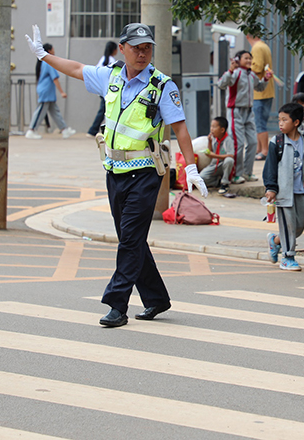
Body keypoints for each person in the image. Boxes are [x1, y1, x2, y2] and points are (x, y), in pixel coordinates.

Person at [25, 23, 208, 328]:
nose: (142, 53)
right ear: (122, 48)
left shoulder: (163, 86)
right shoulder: (110, 76)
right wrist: (43, 55)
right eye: (136, 47)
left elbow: (181, 130)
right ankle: (157, 299)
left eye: (147, 48)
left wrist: (190, 167)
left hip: (146, 173)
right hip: (114, 172)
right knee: (130, 239)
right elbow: (75, 68)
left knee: (129, 240)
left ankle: (116, 304)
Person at [264, 103, 304, 271]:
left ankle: (275, 241)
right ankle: (288, 257)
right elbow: (270, 167)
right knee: (289, 226)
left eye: (285, 120)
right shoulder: (277, 142)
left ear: (296, 122)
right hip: (283, 193)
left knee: (298, 227)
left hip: (303, 192)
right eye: (279, 120)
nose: (280, 123)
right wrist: (271, 188)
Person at [216, 50, 271, 184]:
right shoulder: (235, 73)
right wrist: (230, 70)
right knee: (238, 144)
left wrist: (266, 79)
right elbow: (221, 84)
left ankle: (248, 172)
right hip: (235, 112)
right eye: (246, 58)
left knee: (252, 142)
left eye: (250, 58)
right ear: (238, 59)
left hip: (249, 112)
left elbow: (259, 87)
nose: (248, 60)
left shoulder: (251, 74)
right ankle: (235, 174)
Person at [25, 43, 76, 140]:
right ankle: (31, 130)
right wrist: (62, 92)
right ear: (49, 51)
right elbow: (55, 78)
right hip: (46, 90)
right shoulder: (49, 62)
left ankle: (64, 129)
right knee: (41, 110)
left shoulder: (44, 62)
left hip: (46, 90)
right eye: (53, 48)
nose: (54, 50)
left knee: (54, 111)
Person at [247, 33, 275, 161]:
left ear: (248, 36)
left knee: (259, 123)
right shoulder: (264, 46)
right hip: (266, 90)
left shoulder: (257, 48)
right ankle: (259, 149)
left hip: (260, 92)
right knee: (258, 122)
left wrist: (244, 68)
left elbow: (257, 67)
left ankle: (264, 150)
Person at [87, 41, 119, 136]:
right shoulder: (112, 61)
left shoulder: (103, 59)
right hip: (109, 90)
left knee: (104, 110)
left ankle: (96, 130)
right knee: (105, 111)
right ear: (114, 50)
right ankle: (93, 130)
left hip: (102, 88)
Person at [199, 116, 235, 195]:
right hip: (214, 164)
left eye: (214, 127)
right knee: (201, 178)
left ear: (222, 130)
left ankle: (225, 183)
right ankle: (217, 182)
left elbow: (231, 155)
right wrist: (209, 142)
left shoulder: (228, 140)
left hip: (223, 165)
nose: (212, 129)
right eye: (211, 126)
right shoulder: (214, 138)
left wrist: (215, 156)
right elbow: (210, 151)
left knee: (229, 160)